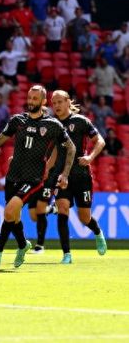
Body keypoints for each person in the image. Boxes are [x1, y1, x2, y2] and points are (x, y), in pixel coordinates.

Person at [0, 86, 75, 269]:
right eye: (29, 98)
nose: (31, 101)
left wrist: (65, 173)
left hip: (33, 178)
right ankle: (22, 244)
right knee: (13, 216)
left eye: (35, 98)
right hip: (13, 175)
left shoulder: (53, 125)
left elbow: (71, 148)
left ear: (43, 102)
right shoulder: (17, 120)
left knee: (9, 210)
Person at [41, 90, 107, 262]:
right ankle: (67, 254)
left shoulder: (81, 121)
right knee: (62, 209)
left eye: (59, 102)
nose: (56, 106)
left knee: (84, 218)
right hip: (62, 176)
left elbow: (100, 141)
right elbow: (56, 150)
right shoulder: (53, 124)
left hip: (82, 176)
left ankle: (98, 232)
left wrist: (90, 157)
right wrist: (46, 169)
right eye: (53, 103)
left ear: (68, 102)